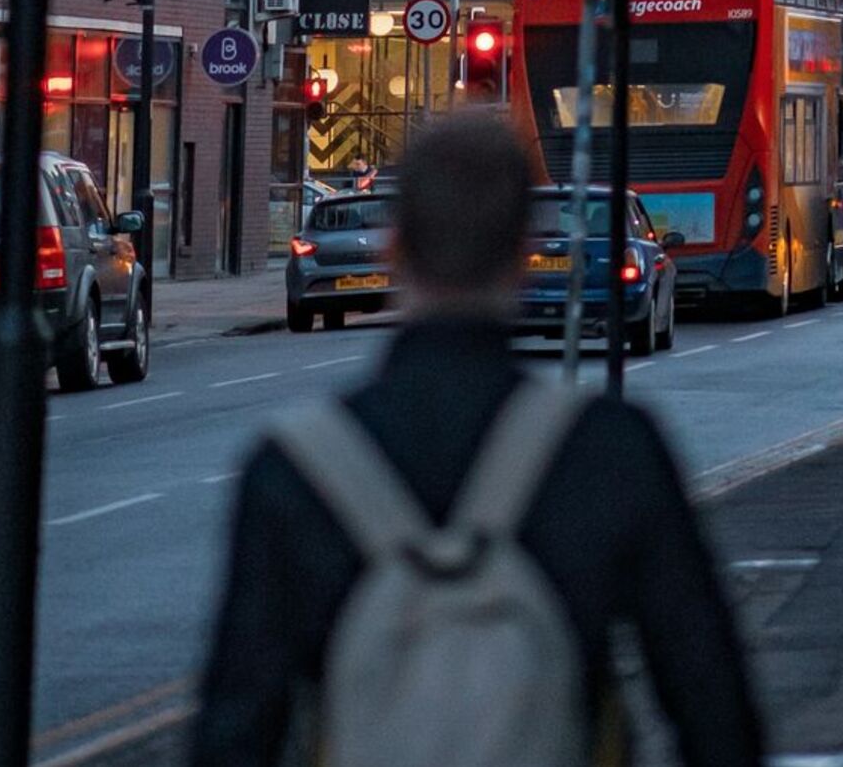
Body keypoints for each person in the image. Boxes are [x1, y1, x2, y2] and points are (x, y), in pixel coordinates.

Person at [193, 115, 762, 767]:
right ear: (523, 248)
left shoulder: (293, 469)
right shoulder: (609, 450)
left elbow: (235, 727)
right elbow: (712, 702)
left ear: (396, 247)